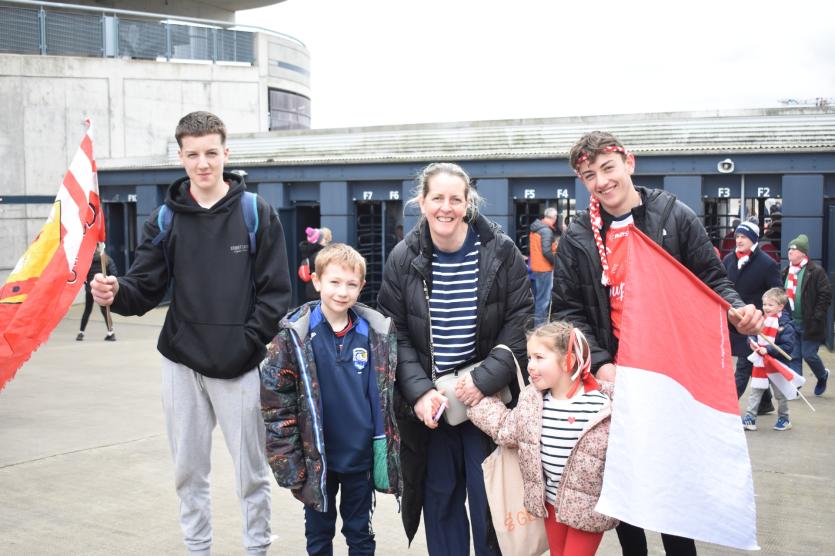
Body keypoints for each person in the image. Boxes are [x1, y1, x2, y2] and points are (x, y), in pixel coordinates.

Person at [552, 131, 763, 556]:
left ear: (629, 162)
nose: (602, 182)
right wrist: (603, 363)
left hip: (668, 376)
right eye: (590, 176)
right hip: (614, 380)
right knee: (625, 486)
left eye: (608, 168)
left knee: (671, 486)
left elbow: (711, 277)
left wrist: (736, 310)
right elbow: (567, 310)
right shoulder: (578, 235)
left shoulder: (673, 214)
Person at [90, 111, 291, 555]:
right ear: (181, 157)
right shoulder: (166, 218)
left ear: (226, 154)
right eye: (194, 154)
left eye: (211, 153)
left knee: (251, 473)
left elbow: (276, 295)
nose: (203, 163)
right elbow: (144, 287)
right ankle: (197, 549)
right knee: (188, 472)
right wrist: (115, 291)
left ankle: (256, 549)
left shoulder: (255, 213)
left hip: (239, 365)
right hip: (181, 363)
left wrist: (245, 343)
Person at [376, 162, 533, 555]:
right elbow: (395, 334)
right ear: (422, 201)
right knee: (441, 504)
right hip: (434, 408)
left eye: (455, 199)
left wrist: (484, 380)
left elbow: (520, 321)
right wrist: (419, 393)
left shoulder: (501, 251)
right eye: (437, 198)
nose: (445, 208)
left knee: (489, 506)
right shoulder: (402, 258)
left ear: (467, 203)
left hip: (488, 403)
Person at [261, 243, 401, 556]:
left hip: (360, 459)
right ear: (317, 281)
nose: (342, 291)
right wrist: (288, 461)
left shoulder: (375, 334)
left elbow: (389, 394)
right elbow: (276, 405)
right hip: (316, 461)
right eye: (334, 282)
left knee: (360, 535)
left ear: (361, 287)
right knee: (318, 536)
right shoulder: (293, 336)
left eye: (351, 284)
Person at [468, 321, 617, 556]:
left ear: (568, 361)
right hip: (550, 504)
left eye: (539, 357)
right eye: (529, 358)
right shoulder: (534, 403)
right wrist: (475, 401)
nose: (530, 365)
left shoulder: (602, 406)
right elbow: (505, 428)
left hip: (588, 511)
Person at [721, 220, 781, 412]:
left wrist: (777, 321)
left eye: (744, 237)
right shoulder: (728, 260)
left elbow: (778, 294)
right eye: (737, 236)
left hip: (754, 325)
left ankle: (726, 408)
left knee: (743, 367)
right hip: (733, 322)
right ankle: (765, 403)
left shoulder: (768, 264)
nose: (739, 240)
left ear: (753, 239)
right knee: (754, 364)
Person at [742, 288, 798, 432]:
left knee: (780, 394)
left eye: (770, 305)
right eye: (764, 304)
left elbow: (787, 346)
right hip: (760, 364)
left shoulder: (785, 325)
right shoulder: (761, 320)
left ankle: (784, 418)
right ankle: (750, 418)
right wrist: (752, 342)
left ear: (780, 306)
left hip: (777, 365)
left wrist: (768, 349)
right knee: (756, 391)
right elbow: (752, 334)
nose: (766, 307)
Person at [783, 234, 831, 396]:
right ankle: (796, 388)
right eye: (789, 249)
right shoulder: (786, 271)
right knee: (794, 356)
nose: (790, 252)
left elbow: (825, 295)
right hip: (792, 322)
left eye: (794, 249)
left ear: (803, 253)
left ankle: (822, 376)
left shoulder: (815, 271)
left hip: (810, 322)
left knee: (809, 355)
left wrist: (817, 315)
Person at [77, 249, 117, 341]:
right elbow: (114, 273)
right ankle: (111, 333)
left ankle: (81, 333)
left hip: (90, 288)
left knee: (87, 310)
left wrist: (87, 284)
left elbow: (82, 275)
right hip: (102, 289)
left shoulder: (88, 261)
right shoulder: (107, 259)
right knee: (105, 311)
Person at [529, 207, 559, 325]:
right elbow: (547, 252)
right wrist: (556, 263)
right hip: (545, 269)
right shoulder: (546, 231)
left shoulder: (537, 228)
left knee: (539, 299)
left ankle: (538, 325)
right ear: (554, 217)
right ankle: (540, 328)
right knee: (544, 301)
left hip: (537, 268)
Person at [299, 226, 333, 303]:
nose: (326, 241)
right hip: (318, 289)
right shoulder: (319, 255)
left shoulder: (309, 252)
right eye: (324, 239)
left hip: (311, 288)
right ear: (319, 241)